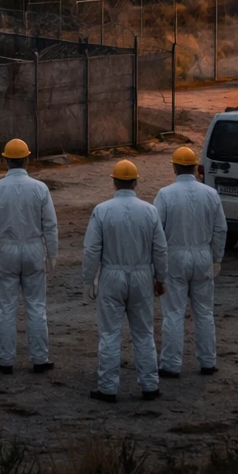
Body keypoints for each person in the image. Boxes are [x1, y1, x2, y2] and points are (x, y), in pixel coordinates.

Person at [82, 159, 168, 402]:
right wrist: (160, 277)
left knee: (109, 334)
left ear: (114, 181)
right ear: (136, 182)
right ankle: (150, 385)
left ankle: (108, 388)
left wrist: (89, 280)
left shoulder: (102, 210)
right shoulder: (150, 211)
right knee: (143, 333)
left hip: (111, 276)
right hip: (141, 275)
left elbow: (91, 250)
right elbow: (160, 249)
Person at [0, 138, 59, 375]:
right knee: (36, 306)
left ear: (5, 160)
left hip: (6, 250)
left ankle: (5, 360)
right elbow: (50, 225)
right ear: (26, 159)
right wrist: (51, 253)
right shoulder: (40, 188)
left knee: (6, 307)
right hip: (34, 249)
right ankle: (40, 359)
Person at [154, 146, 227, 378]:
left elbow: (156, 233)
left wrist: (157, 267)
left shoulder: (165, 194)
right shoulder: (211, 194)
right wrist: (216, 257)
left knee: (173, 313)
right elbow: (221, 229)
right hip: (203, 255)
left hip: (175, 256)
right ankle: (208, 362)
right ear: (196, 168)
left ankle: (171, 364)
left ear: (174, 167)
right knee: (204, 312)